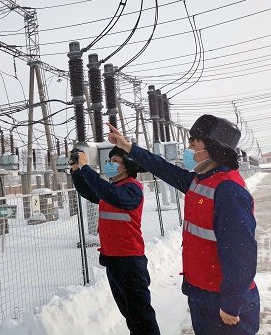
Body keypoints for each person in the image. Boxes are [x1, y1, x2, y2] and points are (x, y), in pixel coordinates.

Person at [107, 115, 260, 334]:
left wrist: (232, 302)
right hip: (202, 295)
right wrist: (127, 147)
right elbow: (162, 168)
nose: (187, 150)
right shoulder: (198, 181)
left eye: (193, 144)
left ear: (213, 150)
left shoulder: (228, 190)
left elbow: (241, 253)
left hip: (223, 302)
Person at [70, 146, 161, 335]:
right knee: (129, 314)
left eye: (115, 162)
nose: (110, 164)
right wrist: (78, 171)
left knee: (141, 317)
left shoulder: (131, 189)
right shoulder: (111, 190)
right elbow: (89, 191)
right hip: (113, 261)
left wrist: (86, 168)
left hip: (130, 262)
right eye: (109, 161)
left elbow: (109, 194)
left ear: (126, 167)